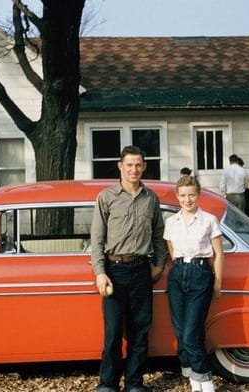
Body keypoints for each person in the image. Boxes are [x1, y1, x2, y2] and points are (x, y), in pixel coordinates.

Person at [90, 145, 167, 392]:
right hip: (114, 271)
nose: (134, 169)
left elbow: (158, 236)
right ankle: (108, 384)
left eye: (138, 165)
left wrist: (158, 265)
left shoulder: (151, 199)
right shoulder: (106, 197)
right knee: (113, 332)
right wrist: (100, 272)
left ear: (144, 167)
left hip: (141, 270)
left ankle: (134, 383)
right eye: (129, 165)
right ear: (120, 166)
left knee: (140, 330)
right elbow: (97, 239)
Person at [164, 175, 224, 392]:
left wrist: (217, 282)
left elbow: (218, 253)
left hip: (200, 274)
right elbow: (172, 253)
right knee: (181, 333)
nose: (187, 200)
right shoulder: (171, 222)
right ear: (177, 197)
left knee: (191, 333)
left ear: (198, 195)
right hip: (178, 274)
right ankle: (194, 381)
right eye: (183, 195)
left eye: (191, 195)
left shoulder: (209, 220)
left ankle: (207, 384)